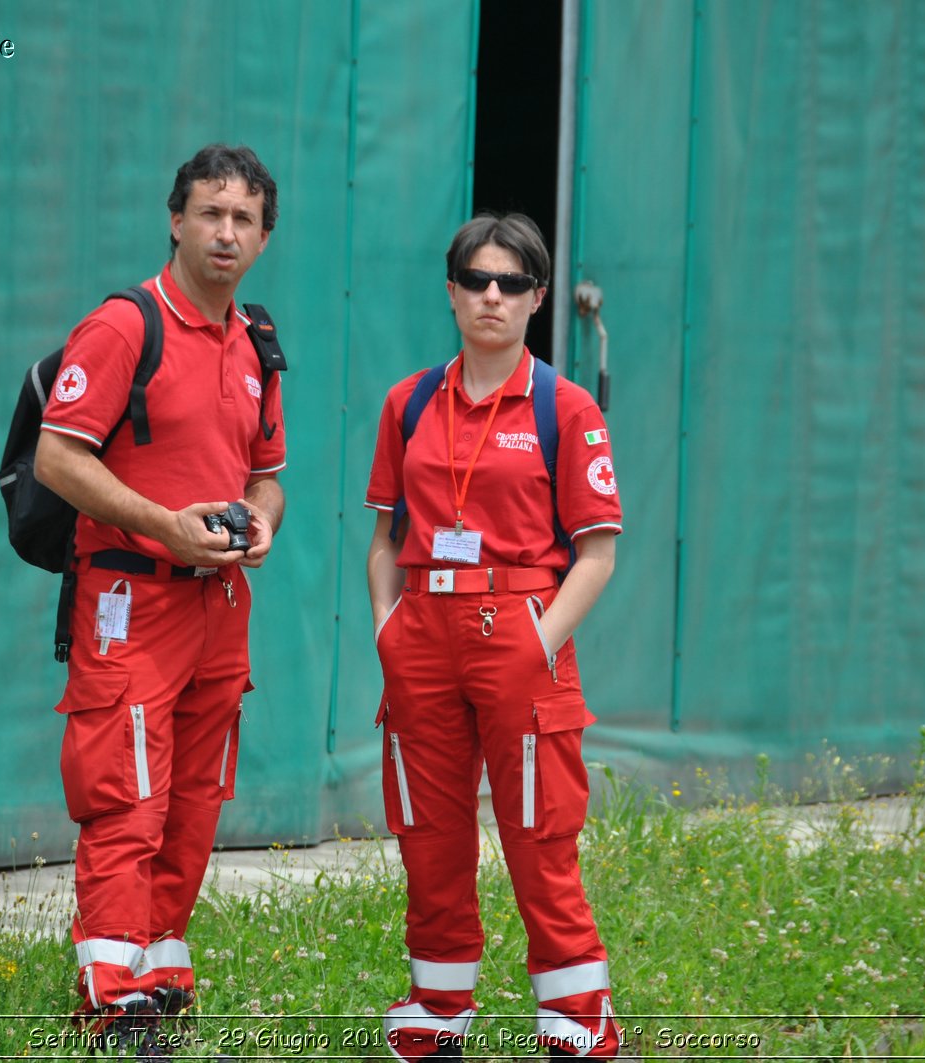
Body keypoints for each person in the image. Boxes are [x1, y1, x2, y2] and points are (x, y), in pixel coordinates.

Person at [34, 143, 285, 1056]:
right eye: (210, 213)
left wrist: (261, 522)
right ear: (175, 219)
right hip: (130, 598)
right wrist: (161, 525)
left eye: (244, 219)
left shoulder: (257, 341)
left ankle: (160, 971)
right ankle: (110, 994)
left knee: (195, 800)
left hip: (220, 606)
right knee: (125, 796)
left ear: (263, 237)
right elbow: (59, 458)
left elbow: (268, 476)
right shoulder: (123, 324)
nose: (226, 232)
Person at [364, 213, 625, 1060]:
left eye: (511, 283)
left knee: (539, 835)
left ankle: (577, 1021)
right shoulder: (408, 403)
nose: (491, 296)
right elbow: (382, 539)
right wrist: (387, 626)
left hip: (519, 630)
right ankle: (437, 1013)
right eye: (476, 279)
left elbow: (597, 553)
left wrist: (539, 642)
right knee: (429, 833)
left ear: (538, 298)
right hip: (423, 633)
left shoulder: (566, 405)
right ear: (450, 291)